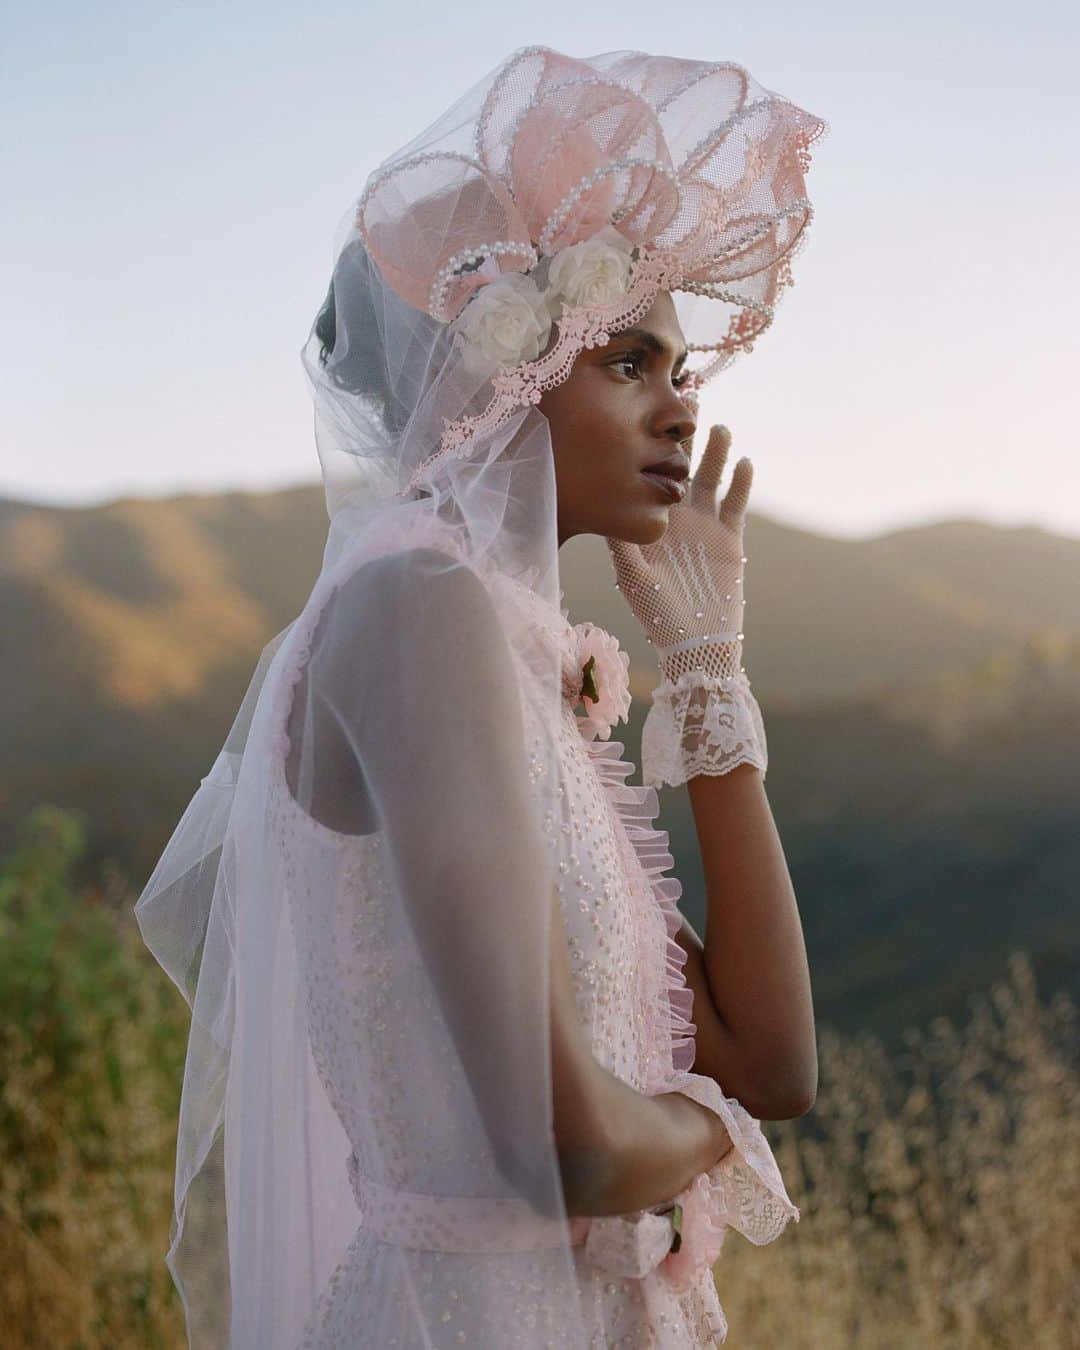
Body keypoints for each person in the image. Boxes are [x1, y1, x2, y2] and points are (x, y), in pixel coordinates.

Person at [135, 44, 828, 1348]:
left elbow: (772, 1058)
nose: (680, 409)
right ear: (490, 368)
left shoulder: (514, 651)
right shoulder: (417, 606)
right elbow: (554, 1141)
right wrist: (701, 1137)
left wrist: (705, 659)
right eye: (627, 359)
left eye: (679, 370)